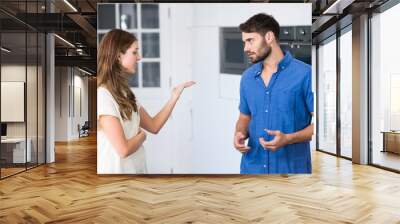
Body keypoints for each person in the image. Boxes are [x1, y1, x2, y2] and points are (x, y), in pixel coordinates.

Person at [97, 29, 195, 174]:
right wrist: (142, 136)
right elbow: (123, 150)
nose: (139, 57)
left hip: (136, 169)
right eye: (134, 52)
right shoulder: (104, 96)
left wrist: (174, 96)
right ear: (118, 56)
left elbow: (154, 126)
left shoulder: (126, 93)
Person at [233, 13, 314, 174]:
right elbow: (245, 117)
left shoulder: (305, 74)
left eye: (250, 40)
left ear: (269, 37)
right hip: (252, 168)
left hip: (291, 170)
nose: (245, 48)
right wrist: (239, 134)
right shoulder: (247, 77)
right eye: (244, 42)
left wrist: (288, 139)